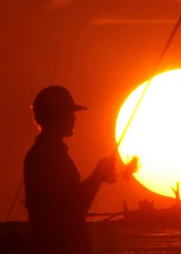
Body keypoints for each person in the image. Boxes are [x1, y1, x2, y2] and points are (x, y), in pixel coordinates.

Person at [24, 86, 116, 254]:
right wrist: (99, 174)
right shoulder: (49, 156)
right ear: (57, 116)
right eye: (69, 113)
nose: (74, 118)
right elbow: (74, 207)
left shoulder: (41, 154)